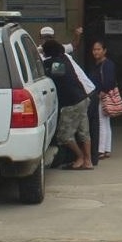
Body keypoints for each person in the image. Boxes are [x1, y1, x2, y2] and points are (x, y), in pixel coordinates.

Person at [42, 39, 94, 170]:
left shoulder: (56, 63)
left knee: (64, 136)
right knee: (84, 132)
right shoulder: (65, 58)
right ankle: (88, 161)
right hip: (83, 98)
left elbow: (53, 72)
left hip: (72, 103)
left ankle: (80, 156)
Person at [89, 39, 118, 159]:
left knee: (101, 122)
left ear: (104, 51)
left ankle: (101, 150)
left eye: (98, 49)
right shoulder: (98, 64)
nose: (96, 52)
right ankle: (106, 149)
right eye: (94, 49)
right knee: (105, 122)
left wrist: (102, 92)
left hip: (102, 96)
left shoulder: (107, 64)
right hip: (101, 95)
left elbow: (110, 81)